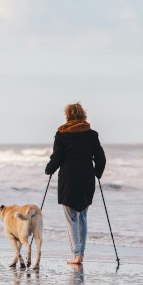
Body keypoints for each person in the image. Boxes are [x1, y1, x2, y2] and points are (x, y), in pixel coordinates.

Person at [45, 102, 106, 265]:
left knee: (71, 217)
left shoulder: (61, 133)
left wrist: (49, 169)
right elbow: (100, 158)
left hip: (68, 178)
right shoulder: (92, 134)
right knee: (83, 216)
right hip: (86, 177)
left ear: (68, 115)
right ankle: (81, 254)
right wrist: (98, 174)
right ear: (83, 114)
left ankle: (76, 254)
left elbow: (57, 157)